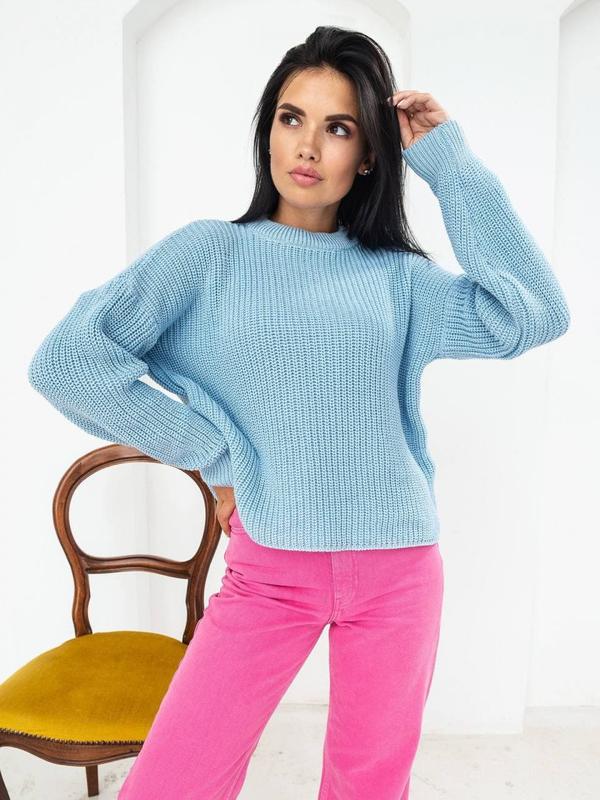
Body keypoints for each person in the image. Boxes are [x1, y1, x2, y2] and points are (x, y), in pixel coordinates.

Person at [27, 25, 570, 800]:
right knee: (173, 783)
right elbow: (68, 363)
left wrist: (452, 168)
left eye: (338, 127)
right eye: (292, 118)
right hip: (269, 571)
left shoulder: (396, 279)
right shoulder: (206, 257)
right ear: (269, 130)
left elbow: (534, 315)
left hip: (399, 570)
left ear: (369, 154)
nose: (308, 146)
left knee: (368, 788)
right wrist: (216, 455)